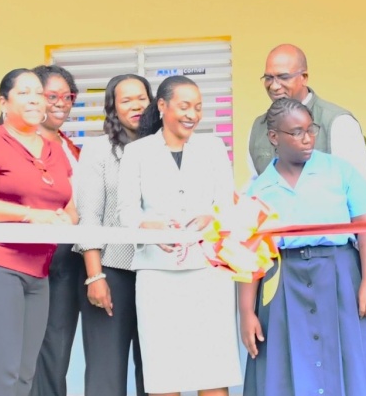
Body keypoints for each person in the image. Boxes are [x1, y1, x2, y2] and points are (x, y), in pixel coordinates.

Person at [239, 97, 366, 396]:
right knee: (284, 364)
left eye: (311, 129)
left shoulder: (340, 171)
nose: (307, 139)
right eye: (296, 132)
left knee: (351, 359)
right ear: (273, 137)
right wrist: (246, 311)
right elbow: (249, 253)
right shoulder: (259, 188)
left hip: (339, 272)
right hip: (282, 280)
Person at [0, 68, 79, 396]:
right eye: (24, 92)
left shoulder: (53, 150)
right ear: (3, 102)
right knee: (2, 371)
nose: (35, 98)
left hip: (38, 274)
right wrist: (28, 215)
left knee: (25, 373)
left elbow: (66, 204)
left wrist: (67, 218)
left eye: (39, 92)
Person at [118, 75, 239, 396]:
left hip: (208, 272)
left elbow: (228, 202)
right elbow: (125, 212)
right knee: (163, 369)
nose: (192, 114)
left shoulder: (213, 146)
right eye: (184, 106)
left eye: (198, 108)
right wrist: (147, 227)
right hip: (157, 274)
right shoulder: (137, 152)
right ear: (162, 106)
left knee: (211, 368)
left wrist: (212, 216)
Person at [73, 73, 152, 396]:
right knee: (107, 370)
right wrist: (95, 276)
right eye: (126, 100)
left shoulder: (164, 147)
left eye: (142, 98)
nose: (136, 105)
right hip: (112, 271)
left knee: (156, 369)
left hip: (157, 269)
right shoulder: (98, 150)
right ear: (113, 108)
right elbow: (89, 215)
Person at [31, 65, 84, 396]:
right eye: (53, 96)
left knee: (56, 349)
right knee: (27, 351)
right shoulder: (16, 145)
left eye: (68, 96)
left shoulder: (70, 147)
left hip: (69, 261)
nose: (62, 103)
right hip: (32, 259)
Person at [247, 43, 366, 185]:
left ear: (304, 77)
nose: (274, 86)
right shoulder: (258, 128)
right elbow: (255, 185)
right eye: (268, 78)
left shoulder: (338, 122)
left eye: (283, 77)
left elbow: (360, 190)